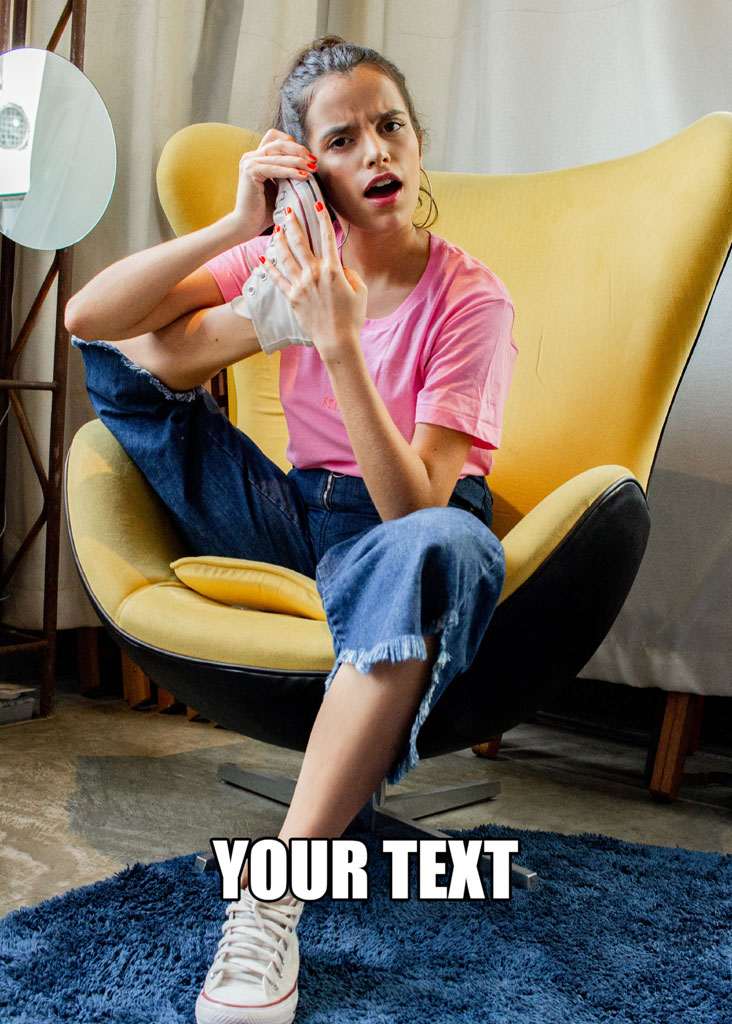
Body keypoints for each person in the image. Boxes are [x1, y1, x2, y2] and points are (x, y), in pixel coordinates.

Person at [66, 35, 517, 1024]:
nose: (375, 151)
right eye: (344, 138)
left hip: (402, 517)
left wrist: (340, 342)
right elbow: (87, 323)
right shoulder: (281, 254)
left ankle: (272, 894)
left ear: (417, 138)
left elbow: (416, 507)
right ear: (307, 165)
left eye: (389, 126)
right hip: (295, 510)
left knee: (441, 548)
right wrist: (245, 250)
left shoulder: (469, 297)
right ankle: (330, 807)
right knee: (131, 367)